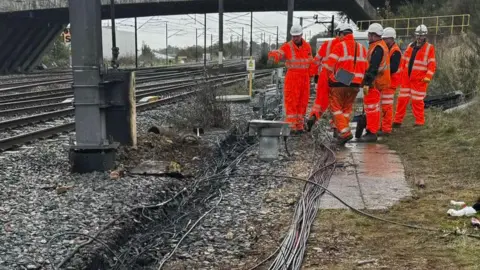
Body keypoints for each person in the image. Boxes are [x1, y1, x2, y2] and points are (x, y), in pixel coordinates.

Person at [322, 24, 369, 145]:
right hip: (356, 84)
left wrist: (329, 78)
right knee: (346, 109)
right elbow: (366, 67)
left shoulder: (339, 46)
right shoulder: (362, 48)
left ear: (342, 34)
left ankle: (344, 132)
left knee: (335, 108)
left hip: (341, 81)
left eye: (339, 35)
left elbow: (328, 66)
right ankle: (342, 130)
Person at [268, 24, 313, 134]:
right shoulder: (287, 46)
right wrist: (273, 56)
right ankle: (291, 127)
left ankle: (299, 126)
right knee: (291, 102)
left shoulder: (307, 47)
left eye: (297, 36)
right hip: (293, 78)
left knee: (303, 103)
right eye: (293, 36)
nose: (295, 38)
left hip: (305, 78)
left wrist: (312, 75)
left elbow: (310, 61)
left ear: (301, 35)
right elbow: (280, 53)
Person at [393, 24, 436, 127]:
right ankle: (397, 121)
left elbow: (432, 64)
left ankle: (419, 121)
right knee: (402, 100)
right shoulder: (410, 46)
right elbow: (404, 61)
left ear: (425, 36)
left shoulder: (429, 48)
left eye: (421, 36)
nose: (419, 38)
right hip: (406, 79)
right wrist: (400, 75)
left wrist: (428, 77)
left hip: (419, 79)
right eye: (418, 35)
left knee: (417, 101)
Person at [306, 24, 344, 132]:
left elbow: (316, 60)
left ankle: (313, 116)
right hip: (340, 76)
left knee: (320, 101)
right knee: (338, 103)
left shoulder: (327, 44)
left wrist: (313, 75)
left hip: (324, 75)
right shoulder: (346, 45)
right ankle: (336, 126)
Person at [359, 23, 391, 142]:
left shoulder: (377, 48)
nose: (368, 36)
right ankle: (372, 129)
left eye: (369, 34)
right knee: (374, 108)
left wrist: (367, 82)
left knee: (371, 107)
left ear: (373, 35)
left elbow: (373, 67)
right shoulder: (379, 46)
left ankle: (372, 132)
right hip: (378, 81)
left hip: (375, 82)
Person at [378, 27, 402, 136]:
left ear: (391, 39)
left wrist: (381, 69)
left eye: (385, 39)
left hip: (391, 83)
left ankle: (386, 129)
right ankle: (383, 126)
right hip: (387, 82)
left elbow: (393, 68)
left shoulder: (395, 51)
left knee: (387, 107)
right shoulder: (389, 50)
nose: (383, 41)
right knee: (383, 106)